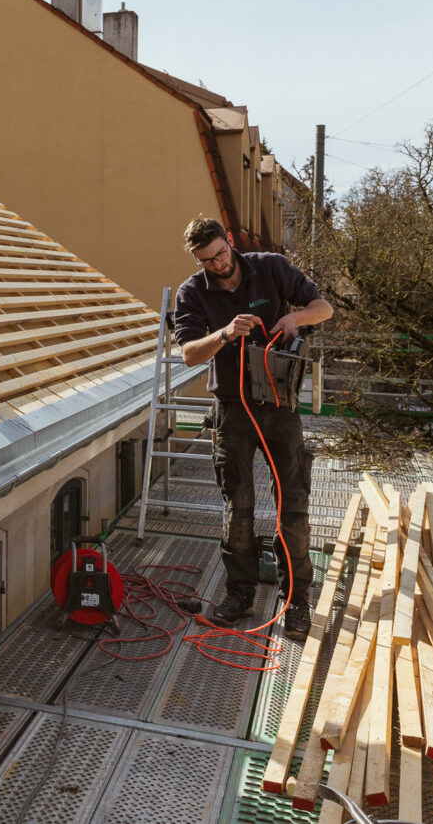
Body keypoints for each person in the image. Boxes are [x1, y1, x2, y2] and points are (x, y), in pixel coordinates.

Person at [172, 216, 332, 636]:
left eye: (221, 253)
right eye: (208, 261)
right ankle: (238, 595)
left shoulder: (271, 267)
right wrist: (224, 334)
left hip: (280, 406)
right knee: (237, 508)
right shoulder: (192, 292)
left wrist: (298, 319)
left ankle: (296, 600)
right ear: (197, 259)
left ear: (229, 241)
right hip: (233, 409)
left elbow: (325, 307)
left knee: (291, 508)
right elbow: (189, 354)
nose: (219, 264)